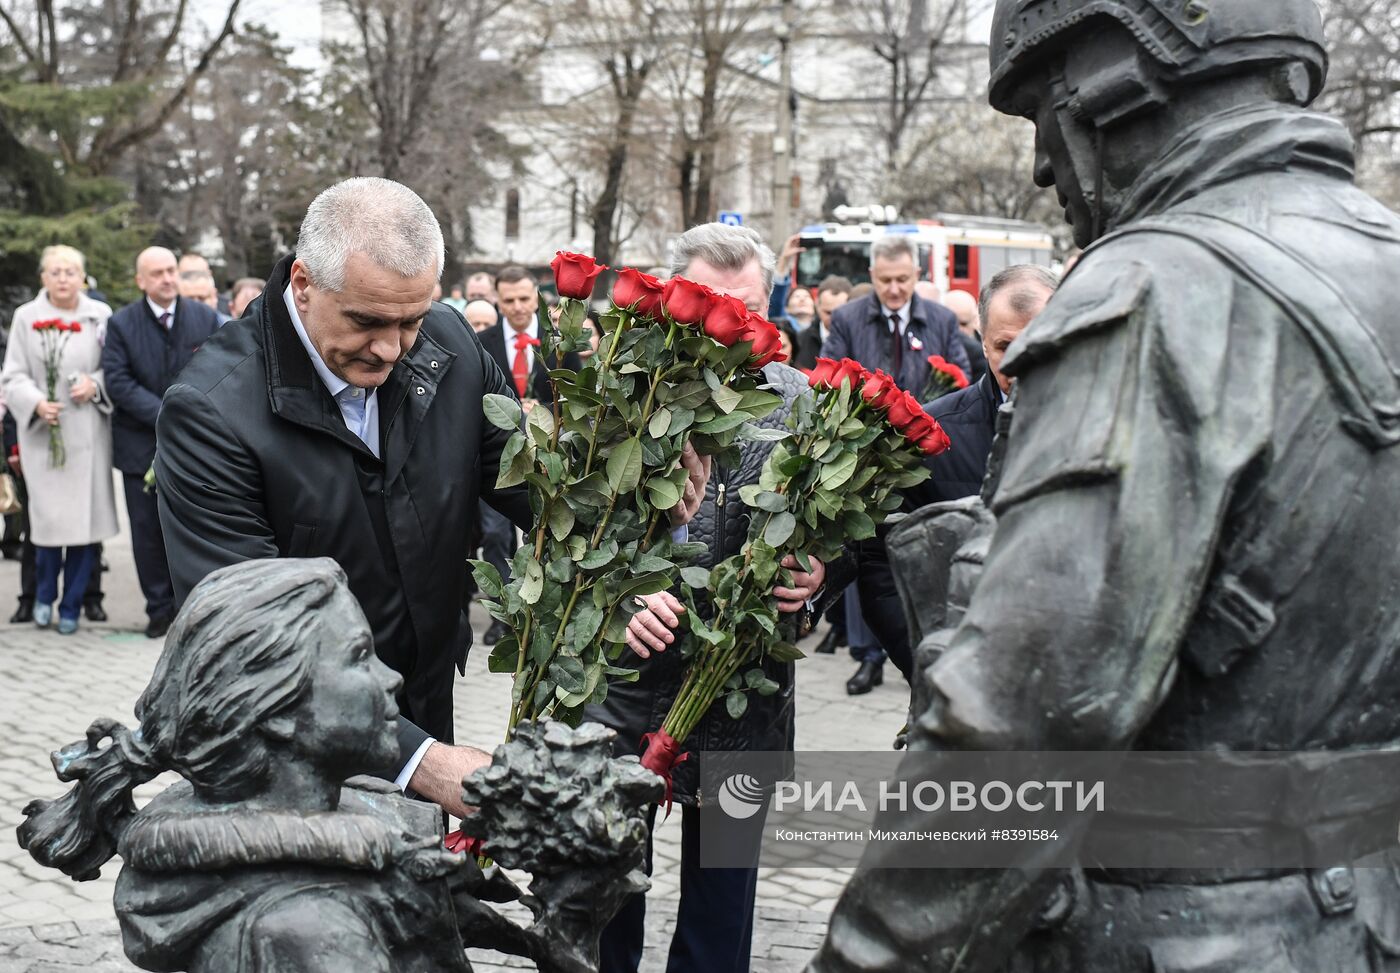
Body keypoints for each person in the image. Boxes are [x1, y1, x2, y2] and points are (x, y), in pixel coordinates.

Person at [813, 0, 1400, 969]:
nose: (1043, 165)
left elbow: (1016, 726)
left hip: (1168, 936)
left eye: (1043, 111)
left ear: (1114, 90)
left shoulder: (1149, 289)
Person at [153, 176, 709, 818]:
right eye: (367, 321)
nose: (391, 349)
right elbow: (246, 644)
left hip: (421, 703)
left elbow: (544, 493)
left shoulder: (450, 347)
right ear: (303, 284)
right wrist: (420, 761)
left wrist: (637, 514)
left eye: (409, 321)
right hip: (284, 758)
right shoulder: (212, 411)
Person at [18, 557, 475, 973]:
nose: (390, 678)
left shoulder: (313, 819)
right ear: (274, 711)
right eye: (358, 657)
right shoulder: (314, 936)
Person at [590, 222, 834, 973]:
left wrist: (816, 580)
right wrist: (620, 596)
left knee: (722, 912)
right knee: (605, 897)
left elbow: (833, 534)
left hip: (742, 698)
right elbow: (562, 533)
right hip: (625, 696)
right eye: (719, 307)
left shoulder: (802, 403)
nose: (741, 326)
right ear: (676, 304)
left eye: (754, 306)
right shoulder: (621, 398)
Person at [857, 265, 1057, 683]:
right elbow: (882, 564)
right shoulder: (930, 436)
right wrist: (933, 669)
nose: (1023, 363)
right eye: (1006, 346)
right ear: (982, 342)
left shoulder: (1107, 431)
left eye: (1038, 343)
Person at [822, 235, 969, 694]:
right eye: (885, 281)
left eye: (903, 280)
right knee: (865, 558)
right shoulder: (847, 319)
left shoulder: (941, 320)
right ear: (872, 278)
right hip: (863, 462)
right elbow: (829, 377)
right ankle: (867, 658)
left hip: (922, 461)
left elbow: (961, 377)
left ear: (916, 276)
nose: (894, 289)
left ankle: (923, 651)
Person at [104, 246, 222, 639]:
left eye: (172, 270)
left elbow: (218, 371)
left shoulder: (204, 317)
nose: (168, 278)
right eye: (157, 273)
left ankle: (190, 609)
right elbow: (117, 381)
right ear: (141, 281)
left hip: (193, 446)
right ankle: (157, 610)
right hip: (140, 446)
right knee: (146, 530)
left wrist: (188, 417)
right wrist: (165, 413)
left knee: (191, 527)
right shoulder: (122, 324)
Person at [0, 246, 118, 635]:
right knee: (47, 526)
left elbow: (115, 367)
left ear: (82, 277)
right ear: (43, 278)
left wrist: (94, 385)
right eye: (55, 271)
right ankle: (43, 597)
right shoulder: (26, 318)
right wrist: (35, 404)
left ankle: (72, 605)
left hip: (87, 433)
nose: (63, 278)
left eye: (71, 271)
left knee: (85, 529)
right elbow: (12, 375)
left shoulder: (98, 315)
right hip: (44, 436)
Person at [475, 266, 585, 647]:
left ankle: (539, 611)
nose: (518, 307)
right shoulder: (482, 343)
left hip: (550, 455)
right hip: (499, 457)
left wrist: (546, 413)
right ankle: (501, 612)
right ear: (498, 300)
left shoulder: (559, 343)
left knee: (539, 531)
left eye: (525, 299)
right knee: (494, 532)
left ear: (535, 298)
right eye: (509, 301)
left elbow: (578, 396)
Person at [940, 288, 988, 382]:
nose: (957, 331)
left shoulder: (981, 352)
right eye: (950, 323)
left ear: (975, 320)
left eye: (963, 324)